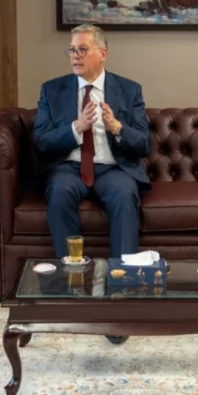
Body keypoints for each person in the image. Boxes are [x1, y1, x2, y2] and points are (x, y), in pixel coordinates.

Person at [33, 24, 151, 259]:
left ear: (102, 54)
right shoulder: (52, 90)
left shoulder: (129, 90)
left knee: (124, 194)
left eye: (82, 50)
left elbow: (144, 144)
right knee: (60, 192)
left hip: (113, 168)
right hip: (69, 168)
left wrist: (117, 128)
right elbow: (41, 141)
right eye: (72, 50)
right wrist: (76, 128)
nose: (75, 56)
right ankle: (71, 273)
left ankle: (122, 274)